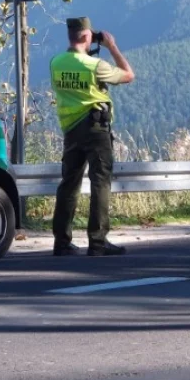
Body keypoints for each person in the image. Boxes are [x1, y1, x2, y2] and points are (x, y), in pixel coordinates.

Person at [50, 17, 135, 257]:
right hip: (96, 129)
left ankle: (62, 241)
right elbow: (129, 75)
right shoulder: (95, 66)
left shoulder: (56, 62)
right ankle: (97, 241)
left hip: (70, 129)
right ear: (87, 36)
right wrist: (111, 46)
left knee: (69, 184)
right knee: (100, 182)